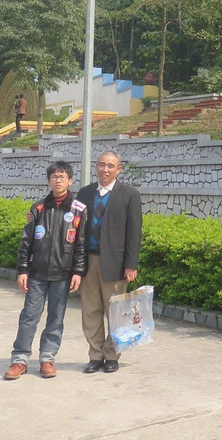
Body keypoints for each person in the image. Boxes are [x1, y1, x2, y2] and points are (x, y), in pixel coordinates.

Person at [4, 161, 89, 381]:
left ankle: (47, 359)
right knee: (29, 317)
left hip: (63, 274)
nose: (58, 180)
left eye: (62, 177)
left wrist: (78, 272)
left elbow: (81, 245)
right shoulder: (38, 208)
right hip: (37, 273)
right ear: (49, 181)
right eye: (54, 177)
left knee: (56, 318)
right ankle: (19, 360)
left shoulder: (79, 210)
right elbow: (26, 242)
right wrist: (23, 270)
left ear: (70, 181)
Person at [77, 150, 142, 374]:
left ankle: (112, 355)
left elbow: (134, 232)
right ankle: (95, 356)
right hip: (88, 261)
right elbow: (73, 225)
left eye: (110, 166)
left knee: (115, 312)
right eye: (101, 164)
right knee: (90, 310)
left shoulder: (129, 195)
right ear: (96, 166)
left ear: (118, 170)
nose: (105, 169)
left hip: (115, 263)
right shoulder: (85, 193)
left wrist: (131, 264)